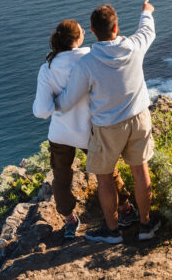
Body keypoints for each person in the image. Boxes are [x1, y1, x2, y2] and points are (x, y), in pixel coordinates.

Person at [55, 0, 159, 243]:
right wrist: (146, 11)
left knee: (104, 177)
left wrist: (51, 103)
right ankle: (146, 225)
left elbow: (68, 100)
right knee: (140, 171)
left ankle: (112, 231)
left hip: (108, 126)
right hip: (139, 118)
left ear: (92, 31)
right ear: (116, 27)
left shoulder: (87, 63)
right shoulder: (134, 47)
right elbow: (148, 30)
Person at [32, 19, 138, 239]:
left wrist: (58, 105)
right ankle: (125, 209)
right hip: (91, 131)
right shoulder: (90, 58)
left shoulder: (48, 68)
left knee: (60, 180)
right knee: (108, 173)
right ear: (79, 38)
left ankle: (70, 220)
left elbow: (41, 110)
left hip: (60, 134)